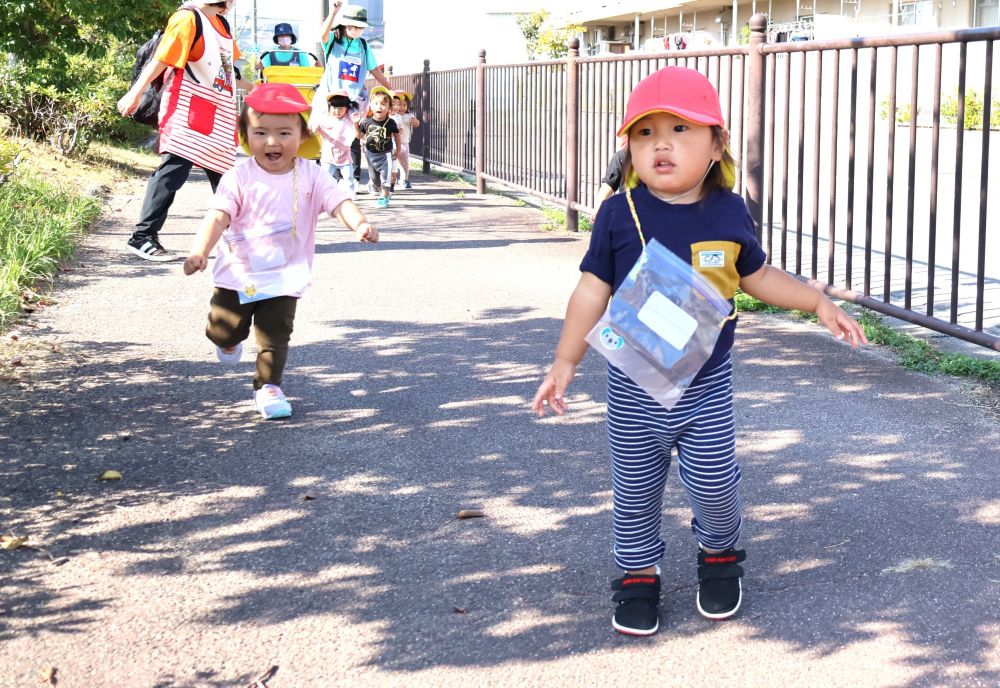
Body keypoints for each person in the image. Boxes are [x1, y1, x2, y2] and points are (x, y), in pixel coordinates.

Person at [530, 66, 867, 637]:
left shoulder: (728, 211)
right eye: (644, 132)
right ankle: (637, 572)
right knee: (634, 487)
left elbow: (756, 274)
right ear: (629, 148)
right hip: (634, 386)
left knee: (713, 479)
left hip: (705, 385)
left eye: (681, 128)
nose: (661, 143)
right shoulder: (619, 213)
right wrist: (566, 361)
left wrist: (816, 303)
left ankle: (719, 553)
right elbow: (592, 287)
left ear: (717, 144)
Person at [182, 83, 378, 420]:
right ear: (245, 135)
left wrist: (359, 223)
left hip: (285, 275)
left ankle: (268, 386)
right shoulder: (238, 177)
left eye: (284, 132)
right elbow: (218, 216)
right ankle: (228, 340)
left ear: (302, 135)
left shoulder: (312, 175)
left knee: (275, 335)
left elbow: (339, 201)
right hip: (239, 274)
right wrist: (200, 251)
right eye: (261, 133)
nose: (272, 142)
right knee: (223, 330)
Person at [117, 0, 254, 262]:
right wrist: (135, 92)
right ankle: (142, 237)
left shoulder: (221, 24)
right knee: (173, 170)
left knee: (225, 177)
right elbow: (162, 58)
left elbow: (226, 70)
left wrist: (256, 89)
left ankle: (238, 236)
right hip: (188, 108)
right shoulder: (188, 18)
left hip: (219, 113)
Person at [316, 1, 393, 188]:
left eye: (361, 28)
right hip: (334, 97)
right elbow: (322, 35)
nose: (360, 31)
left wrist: (388, 88)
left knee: (353, 136)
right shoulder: (334, 40)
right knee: (330, 136)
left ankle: (354, 179)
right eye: (356, 28)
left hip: (355, 98)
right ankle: (329, 179)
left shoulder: (364, 46)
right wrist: (334, 12)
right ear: (347, 26)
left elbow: (374, 69)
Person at [356, 87, 400, 209]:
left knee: (386, 177)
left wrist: (399, 149)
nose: (379, 107)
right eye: (376, 104)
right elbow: (359, 135)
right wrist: (355, 123)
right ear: (371, 105)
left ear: (389, 108)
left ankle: (383, 198)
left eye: (383, 104)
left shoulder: (390, 123)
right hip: (370, 155)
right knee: (375, 180)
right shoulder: (366, 122)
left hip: (385, 155)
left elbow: (396, 135)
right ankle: (383, 193)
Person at [312, 89, 360, 196]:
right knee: (325, 175)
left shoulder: (349, 120)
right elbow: (316, 129)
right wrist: (314, 127)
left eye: (340, 108)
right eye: (334, 108)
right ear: (329, 108)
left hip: (344, 154)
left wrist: (356, 121)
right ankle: (323, 193)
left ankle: (350, 192)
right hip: (328, 155)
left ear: (346, 109)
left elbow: (357, 132)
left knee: (348, 176)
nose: (337, 111)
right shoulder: (325, 119)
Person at [389, 90, 420, 191]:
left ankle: (404, 180)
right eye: (397, 104)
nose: (401, 107)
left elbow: (416, 123)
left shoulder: (409, 116)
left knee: (404, 163)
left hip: (404, 143)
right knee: (391, 164)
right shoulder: (390, 116)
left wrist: (416, 122)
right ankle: (390, 181)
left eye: (404, 105)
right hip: (392, 145)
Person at [591, 145, 628, 221]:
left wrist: (597, 210)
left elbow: (609, 184)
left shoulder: (623, 156)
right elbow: (609, 183)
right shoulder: (623, 156)